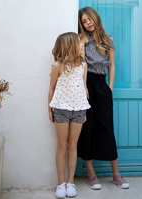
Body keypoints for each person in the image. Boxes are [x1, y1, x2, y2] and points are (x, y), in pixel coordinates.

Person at [77, 7, 130, 190]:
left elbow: (112, 66)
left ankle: (116, 174)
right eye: (84, 21)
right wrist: (83, 87)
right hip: (85, 84)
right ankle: (91, 174)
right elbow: (81, 63)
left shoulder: (108, 40)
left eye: (89, 19)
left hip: (102, 85)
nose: (88, 23)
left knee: (107, 128)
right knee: (87, 128)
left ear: (95, 18)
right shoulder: (82, 39)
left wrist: (110, 88)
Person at [48, 32, 90, 198]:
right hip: (61, 109)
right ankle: (60, 183)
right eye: (78, 43)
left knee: (73, 146)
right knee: (62, 145)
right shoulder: (58, 66)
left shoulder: (83, 65)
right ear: (69, 46)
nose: (81, 46)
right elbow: (51, 88)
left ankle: (71, 181)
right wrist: (49, 109)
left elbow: (84, 87)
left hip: (79, 109)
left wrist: (84, 108)